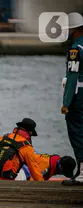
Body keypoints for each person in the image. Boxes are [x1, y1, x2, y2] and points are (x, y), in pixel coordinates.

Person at [61, 12, 83, 183]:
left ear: (75, 29)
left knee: (77, 133)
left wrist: (66, 103)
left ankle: (82, 172)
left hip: (78, 96)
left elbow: (72, 77)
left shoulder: (75, 49)